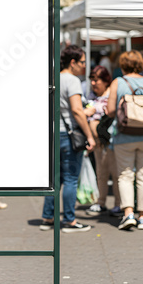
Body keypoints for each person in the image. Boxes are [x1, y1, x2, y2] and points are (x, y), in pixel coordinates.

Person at [40, 45, 95, 233]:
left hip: (53, 132)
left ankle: (48, 216)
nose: (84, 66)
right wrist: (89, 135)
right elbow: (77, 110)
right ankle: (70, 220)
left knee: (55, 179)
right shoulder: (72, 81)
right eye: (82, 62)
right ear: (73, 62)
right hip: (69, 134)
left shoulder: (53, 78)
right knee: (71, 178)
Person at [107, 50, 143, 230]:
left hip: (124, 136)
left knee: (125, 175)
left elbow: (111, 110)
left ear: (123, 65)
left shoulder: (118, 83)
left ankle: (128, 213)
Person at [84, 66, 122, 217]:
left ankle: (119, 204)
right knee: (101, 173)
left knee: (116, 173)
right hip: (98, 143)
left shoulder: (111, 96)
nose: (93, 83)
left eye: (96, 80)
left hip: (111, 141)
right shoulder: (91, 96)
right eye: (92, 80)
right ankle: (101, 201)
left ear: (106, 81)